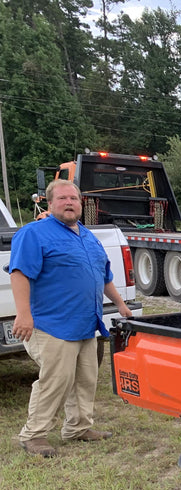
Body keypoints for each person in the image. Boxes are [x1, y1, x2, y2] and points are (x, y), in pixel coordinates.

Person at [9, 179, 132, 457]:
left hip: (85, 324)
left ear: (81, 203)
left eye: (73, 199)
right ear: (49, 204)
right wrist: (24, 314)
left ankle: (78, 428)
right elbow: (20, 273)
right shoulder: (34, 234)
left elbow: (104, 277)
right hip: (51, 325)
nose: (69, 203)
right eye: (62, 199)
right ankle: (35, 435)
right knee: (56, 380)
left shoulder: (87, 236)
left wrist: (121, 304)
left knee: (85, 379)